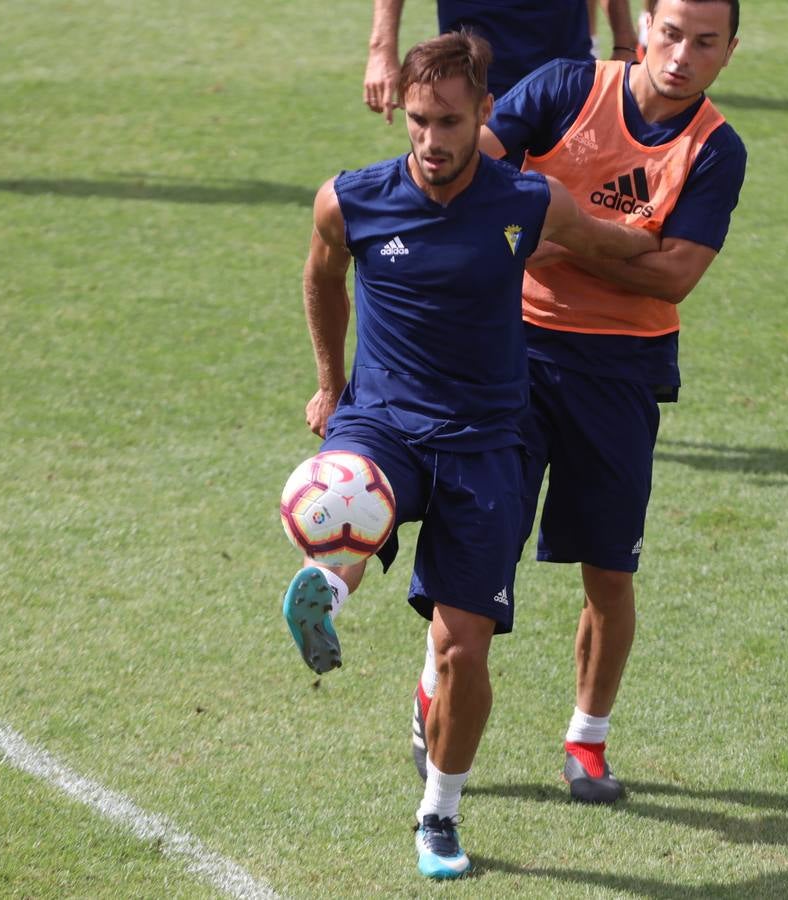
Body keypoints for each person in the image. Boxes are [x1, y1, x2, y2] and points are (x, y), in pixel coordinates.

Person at [280, 30, 658, 880]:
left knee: (461, 652)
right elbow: (320, 278)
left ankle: (440, 812)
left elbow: (605, 242)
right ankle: (327, 600)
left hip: (486, 445)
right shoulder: (351, 201)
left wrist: (666, 245)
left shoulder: (524, 201)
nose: (432, 140)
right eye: (417, 121)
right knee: (340, 492)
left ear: (485, 115)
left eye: (449, 122)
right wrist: (329, 386)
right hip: (382, 421)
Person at [406, 0, 745, 806]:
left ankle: (587, 742)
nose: (681, 56)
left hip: (622, 376)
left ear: (731, 49)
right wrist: (621, 242)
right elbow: (465, 173)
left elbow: (675, 276)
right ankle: (434, 692)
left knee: (610, 573)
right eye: (670, 33)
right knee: (478, 554)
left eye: (705, 42)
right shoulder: (565, 88)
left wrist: (558, 231)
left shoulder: (716, 150)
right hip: (510, 360)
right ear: (644, 26)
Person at [364, 0, 638, 122]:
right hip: (474, 67)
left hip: (564, 63)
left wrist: (625, 42)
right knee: (472, 203)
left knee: (567, 203)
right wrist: (381, 49)